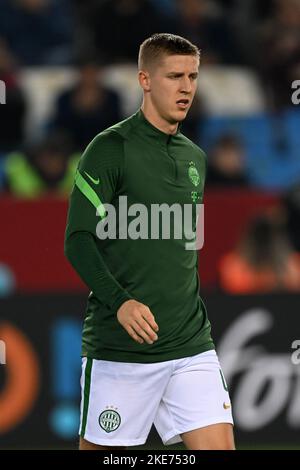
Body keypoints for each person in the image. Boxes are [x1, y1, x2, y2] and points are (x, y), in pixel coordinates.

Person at [65, 33, 234, 451]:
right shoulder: (109, 149)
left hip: (191, 344)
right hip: (121, 352)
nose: (186, 87)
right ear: (144, 79)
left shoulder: (194, 157)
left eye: (193, 76)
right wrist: (120, 301)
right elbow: (78, 240)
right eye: (174, 76)